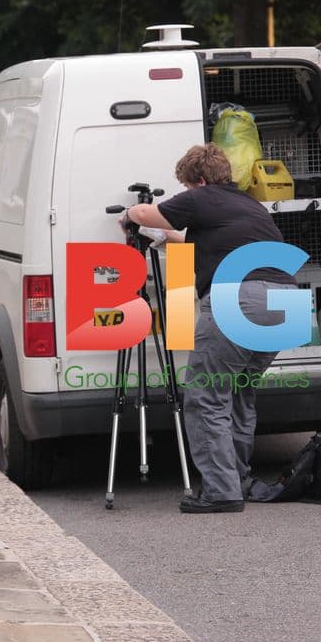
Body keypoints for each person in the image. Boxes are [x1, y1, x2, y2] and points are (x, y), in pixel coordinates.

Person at [121, 143, 298, 513]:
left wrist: (131, 216)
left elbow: (145, 212)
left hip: (241, 299)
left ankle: (221, 491)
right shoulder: (248, 204)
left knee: (206, 397)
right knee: (239, 393)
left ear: (199, 180)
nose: (186, 192)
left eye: (187, 185)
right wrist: (163, 238)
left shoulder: (202, 198)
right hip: (285, 303)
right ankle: (238, 480)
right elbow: (199, 242)